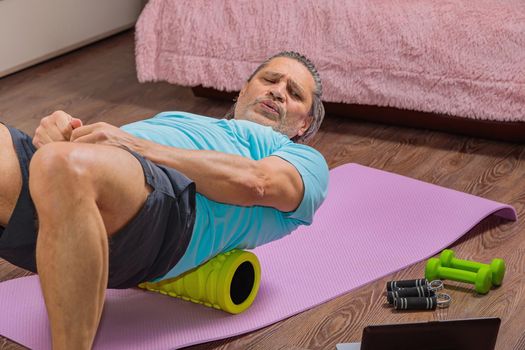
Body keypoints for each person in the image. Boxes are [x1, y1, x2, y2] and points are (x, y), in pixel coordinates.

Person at [0, 51, 329, 349]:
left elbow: (255, 183)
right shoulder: (179, 119)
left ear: (305, 123)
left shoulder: (302, 159)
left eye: (294, 93)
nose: (277, 91)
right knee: (46, 158)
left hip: (171, 214)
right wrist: (61, 133)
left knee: (60, 165)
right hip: (78, 181)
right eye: (269, 80)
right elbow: (99, 152)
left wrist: (134, 146)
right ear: (244, 89)